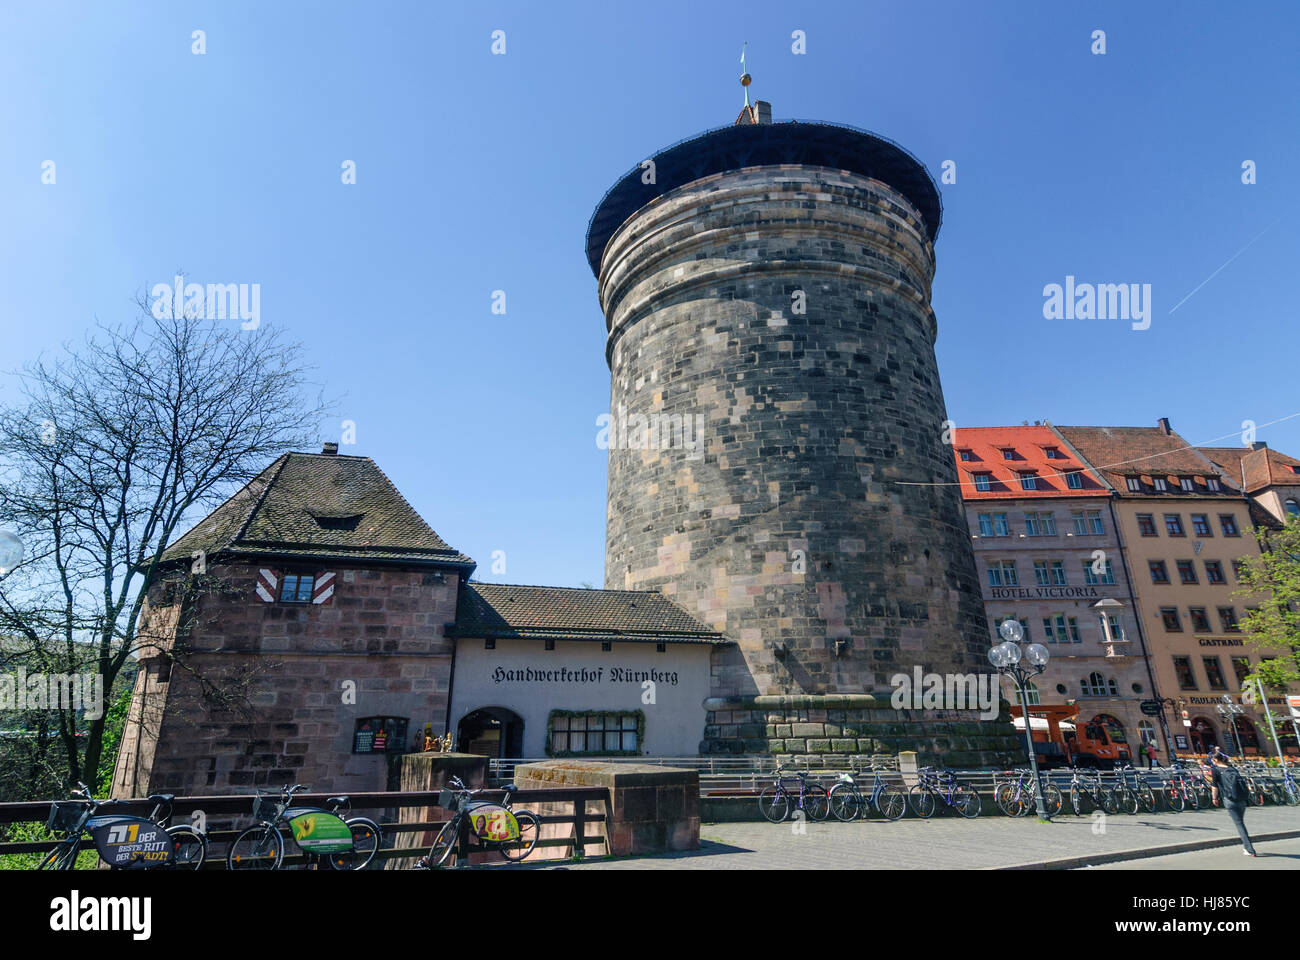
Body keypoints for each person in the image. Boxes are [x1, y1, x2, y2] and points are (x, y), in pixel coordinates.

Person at [1209, 749, 1257, 857]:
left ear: (1215, 760)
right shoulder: (1232, 768)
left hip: (1229, 800)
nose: (1211, 762)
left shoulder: (1215, 770)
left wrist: (1214, 798)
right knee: (1241, 823)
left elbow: (1214, 785)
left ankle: (1250, 849)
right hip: (1242, 800)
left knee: (1240, 824)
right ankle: (1247, 847)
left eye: (1212, 760)